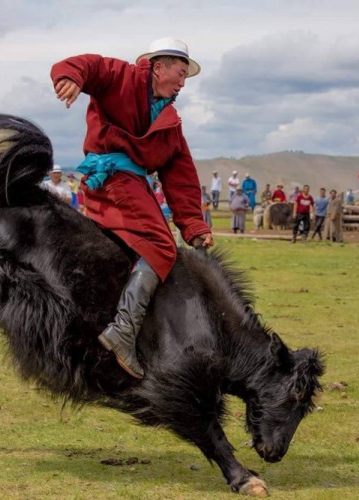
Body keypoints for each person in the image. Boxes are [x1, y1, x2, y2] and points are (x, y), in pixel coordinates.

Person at [51, 37, 213, 378]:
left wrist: (195, 227)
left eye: (186, 77)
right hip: (111, 178)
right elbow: (90, 65)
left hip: (132, 185)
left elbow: (181, 178)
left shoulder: (170, 123)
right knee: (159, 244)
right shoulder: (122, 76)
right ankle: (124, 329)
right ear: (158, 67)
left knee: (136, 249)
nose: (183, 83)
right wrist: (71, 77)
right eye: (181, 74)